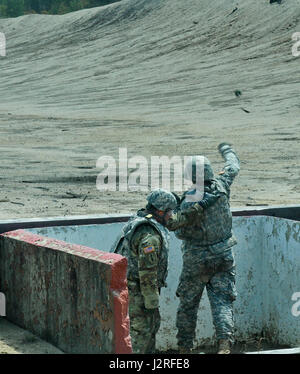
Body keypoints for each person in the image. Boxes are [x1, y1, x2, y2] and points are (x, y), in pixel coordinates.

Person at [111, 188, 219, 354]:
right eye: (170, 212)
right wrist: (151, 303)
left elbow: (176, 221)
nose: (171, 216)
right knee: (141, 333)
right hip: (138, 293)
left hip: (126, 289)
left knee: (145, 329)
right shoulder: (150, 235)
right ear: (160, 211)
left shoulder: (141, 218)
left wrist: (200, 206)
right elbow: (147, 272)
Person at [174, 143, 240, 354]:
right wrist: (227, 149)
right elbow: (233, 166)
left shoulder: (188, 201)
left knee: (188, 305)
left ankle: (185, 348)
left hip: (196, 259)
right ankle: (224, 345)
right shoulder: (222, 185)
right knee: (222, 302)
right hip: (223, 255)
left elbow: (180, 232)